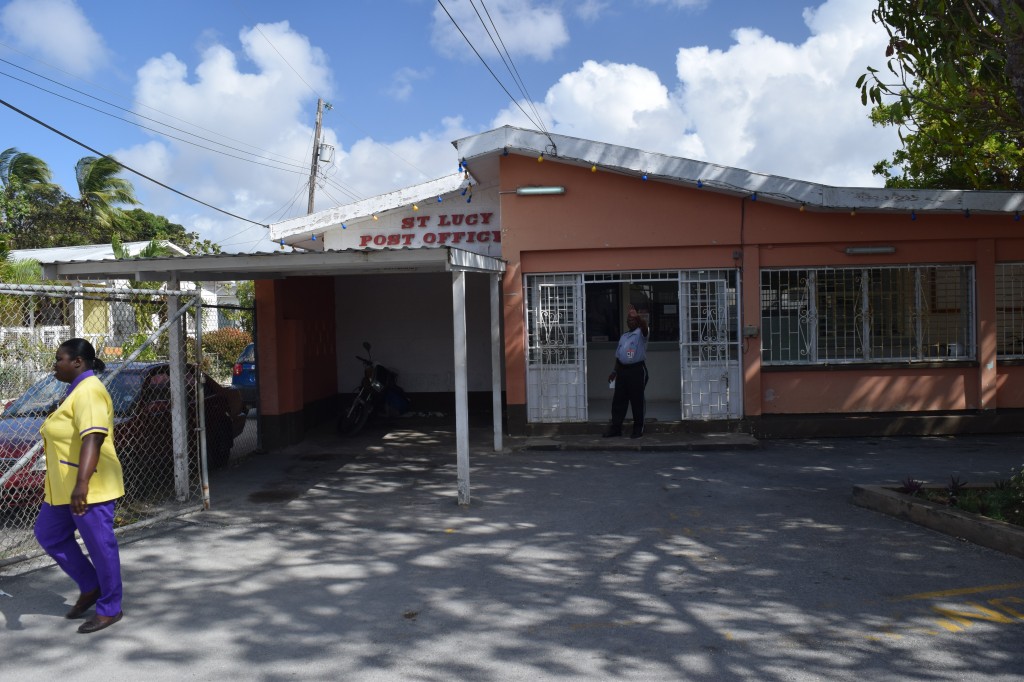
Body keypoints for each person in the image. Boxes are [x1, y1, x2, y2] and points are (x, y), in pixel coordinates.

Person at [34, 338, 125, 634]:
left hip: (89, 486)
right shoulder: (75, 391)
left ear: (78, 362)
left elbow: (93, 437)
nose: (55, 364)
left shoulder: (89, 391)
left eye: (59, 359)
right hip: (63, 487)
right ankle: (91, 585)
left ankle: (110, 608)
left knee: (100, 546)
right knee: (48, 533)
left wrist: (81, 485)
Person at [604, 305, 650, 439]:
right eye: (629, 320)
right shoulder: (624, 336)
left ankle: (638, 428)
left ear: (637, 321)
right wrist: (614, 372)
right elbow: (618, 356)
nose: (630, 322)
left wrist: (638, 317)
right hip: (622, 371)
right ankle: (616, 428)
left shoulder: (641, 334)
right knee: (618, 401)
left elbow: (645, 328)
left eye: (633, 320)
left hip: (636, 370)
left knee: (637, 401)